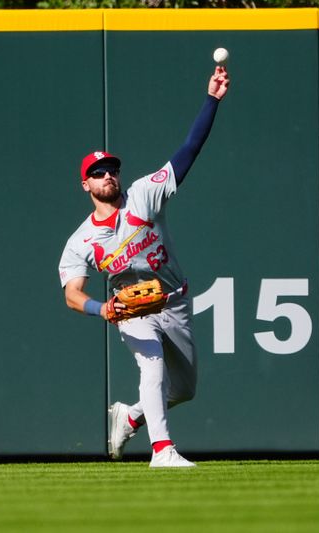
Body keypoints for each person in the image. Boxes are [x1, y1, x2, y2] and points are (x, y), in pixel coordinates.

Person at [58, 66, 230, 468]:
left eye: (111, 169)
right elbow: (71, 293)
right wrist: (102, 309)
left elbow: (188, 151)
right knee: (151, 364)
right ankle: (162, 451)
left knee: (184, 389)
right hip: (131, 308)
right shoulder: (81, 241)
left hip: (174, 300)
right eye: (97, 173)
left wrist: (212, 100)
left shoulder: (144, 195)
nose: (107, 176)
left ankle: (131, 415)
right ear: (86, 185)